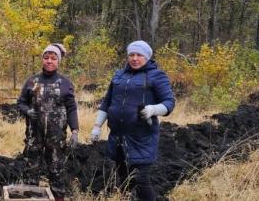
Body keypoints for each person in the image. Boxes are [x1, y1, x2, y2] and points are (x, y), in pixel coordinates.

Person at [90, 40, 175, 201]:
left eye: (139, 55)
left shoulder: (157, 76)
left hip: (142, 137)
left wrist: (153, 109)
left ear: (147, 57)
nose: (135, 58)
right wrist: (97, 126)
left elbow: (169, 103)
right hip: (118, 136)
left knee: (140, 178)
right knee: (124, 177)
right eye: (131, 55)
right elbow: (107, 102)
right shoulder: (119, 75)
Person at [17, 43, 79, 201]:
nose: (49, 61)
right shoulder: (32, 81)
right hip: (34, 137)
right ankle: (30, 198)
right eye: (46, 58)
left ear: (58, 62)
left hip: (56, 138)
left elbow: (71, 108)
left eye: (53, 58)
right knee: (31, 171)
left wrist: (75, 131)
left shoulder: (65, 83)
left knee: (56, 171)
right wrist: (27, 111)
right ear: (42, 60)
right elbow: (21, 103)